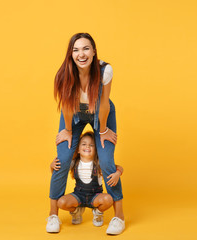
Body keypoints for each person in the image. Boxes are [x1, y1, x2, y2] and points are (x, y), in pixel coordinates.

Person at [47, 33, 125, 235]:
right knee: (62, 159)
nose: (81, 54)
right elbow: (65, 105)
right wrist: (68, 131)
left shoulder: (105, 70)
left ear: (93, 51)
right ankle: (52, 214)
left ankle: (119, 217)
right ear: (71, 54)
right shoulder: (64, 73)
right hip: (73, 114)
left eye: (86, 48)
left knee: (107, 161)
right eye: (76, 50)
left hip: (102, 114)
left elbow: (105, 103)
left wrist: (104, 130)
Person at [50, 131, 123, 228]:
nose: (87, 147)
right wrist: (51, 166)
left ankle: (98, 212)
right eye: (84, 144)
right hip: (78, 196)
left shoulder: (99, 163)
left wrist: (117, 173)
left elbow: (119, 167)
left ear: (96, 150)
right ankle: (76, 211)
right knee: (61, 202)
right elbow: (57, 174)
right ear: (78, 149)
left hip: (95, 196)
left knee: (108, 199)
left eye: (91, 145)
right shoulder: (73, 163)